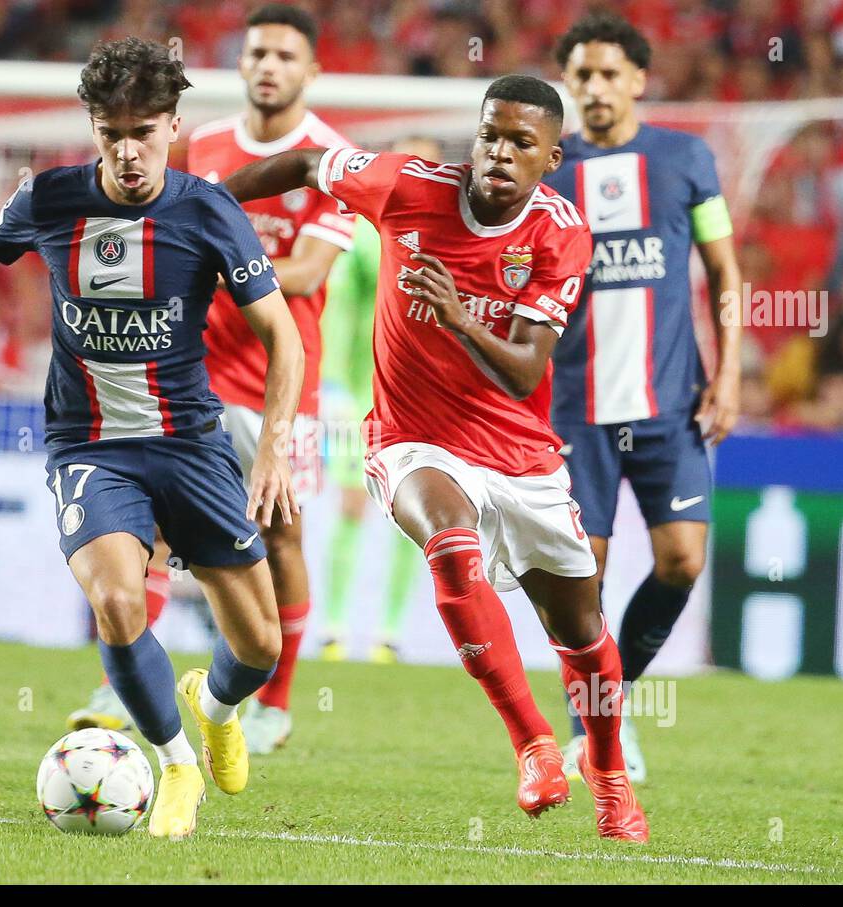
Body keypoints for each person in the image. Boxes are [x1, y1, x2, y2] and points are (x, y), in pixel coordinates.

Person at [0, 38, 305, 840]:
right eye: (112, 133)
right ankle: (177, 765)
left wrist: (273, 443)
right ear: (94, 130)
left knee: (259, 648)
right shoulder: (50, 199)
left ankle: (211, 710)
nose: (130, 150)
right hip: (91, 446)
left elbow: (284, 336)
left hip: (191, 443)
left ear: (174, 126)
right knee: (114, 598)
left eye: (145, 130)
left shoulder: (210, 211)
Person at [224, 75, 648, 841]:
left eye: (522, 143)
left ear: (550, 157)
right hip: (413, 436)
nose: (500, 152)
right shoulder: (403, 184)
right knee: (450, 545)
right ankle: (532, 743)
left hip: (519, 450)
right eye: (491, 134)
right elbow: (306, 162)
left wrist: (456, 316)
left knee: (582, 633)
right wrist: (210, 209)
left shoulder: (561, 234)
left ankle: (610, 772)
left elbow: (524, 369)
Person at [68, 5, 353, 755]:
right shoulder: (204, 144)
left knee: (281, 534)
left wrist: (223, 270)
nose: (268, 66)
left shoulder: (332, 157)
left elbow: (311, 272)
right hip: (188, 374)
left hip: (281, 379)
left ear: (311, 71)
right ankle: (121, 683)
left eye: (286, 56)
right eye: (258, 52)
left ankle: (275, 704)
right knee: (152, 525)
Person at [544, 12, 742, 784]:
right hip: (574, 408)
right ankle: (596, 732)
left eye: (607, 73)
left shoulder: (686, 157)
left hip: (669, 405)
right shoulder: (552, 172)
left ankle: (611, 702)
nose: (593, 88)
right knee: (579, 578)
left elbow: (726, 273)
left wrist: (726, 376)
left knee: (682, 562)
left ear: (638, 79)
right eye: (581, 75)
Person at [315, 136, 440, 666]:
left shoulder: (451, 236)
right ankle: (334, 628)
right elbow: (339, 309)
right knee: (350, 505)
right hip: (360, 396)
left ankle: (389, 634)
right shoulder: (369, 231)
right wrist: (334, 387)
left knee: (412, 515)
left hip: (419, 399)